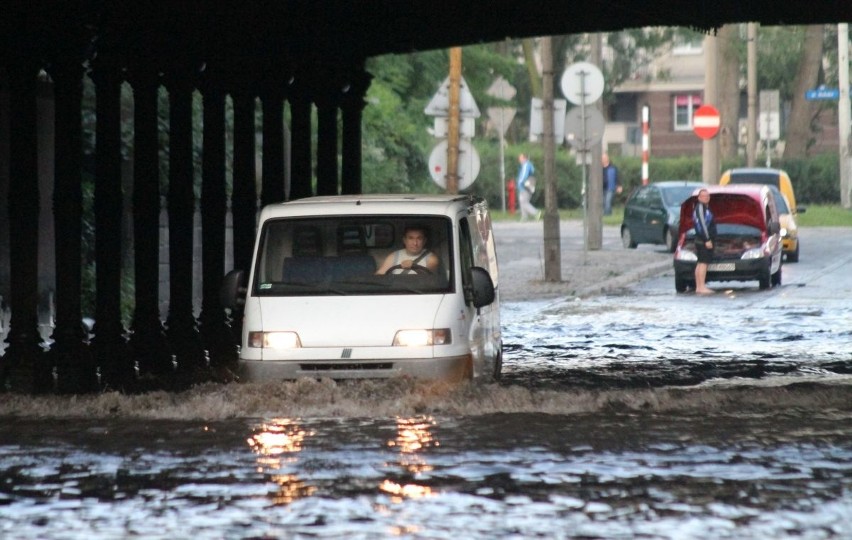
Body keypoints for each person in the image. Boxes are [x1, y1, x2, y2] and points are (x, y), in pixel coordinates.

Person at [376, 225, 440, 275]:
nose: (415, 243)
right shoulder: (394, 256)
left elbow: (431, 280)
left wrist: (415, 267)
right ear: (404, 240)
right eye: (411, 238)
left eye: (419, 238)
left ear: (424, 241)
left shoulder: (431, 259)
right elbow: (379, 275)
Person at [692, 188, 716, 295]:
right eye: (704, 196)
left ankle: (699, 286)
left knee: (700, 262)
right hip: (703, 240)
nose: (706, 198)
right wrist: (707, 239)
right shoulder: (700, 208)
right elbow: (702, 224)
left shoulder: (705, 208)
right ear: (699, 198)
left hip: (701, 239)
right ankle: (701, 286)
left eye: (708, 196)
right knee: (703, 263)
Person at [516, 153, 540, 221]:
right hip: (528, 185)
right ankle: (524, 217)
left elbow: (524, 175)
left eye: (521, 158)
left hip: (525, 186)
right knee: (522, 201)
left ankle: (536, 213)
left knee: (524, 202)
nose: (519, 160)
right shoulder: (527, 165)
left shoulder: (526, 165)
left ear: (525, 158)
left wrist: (520, 182)